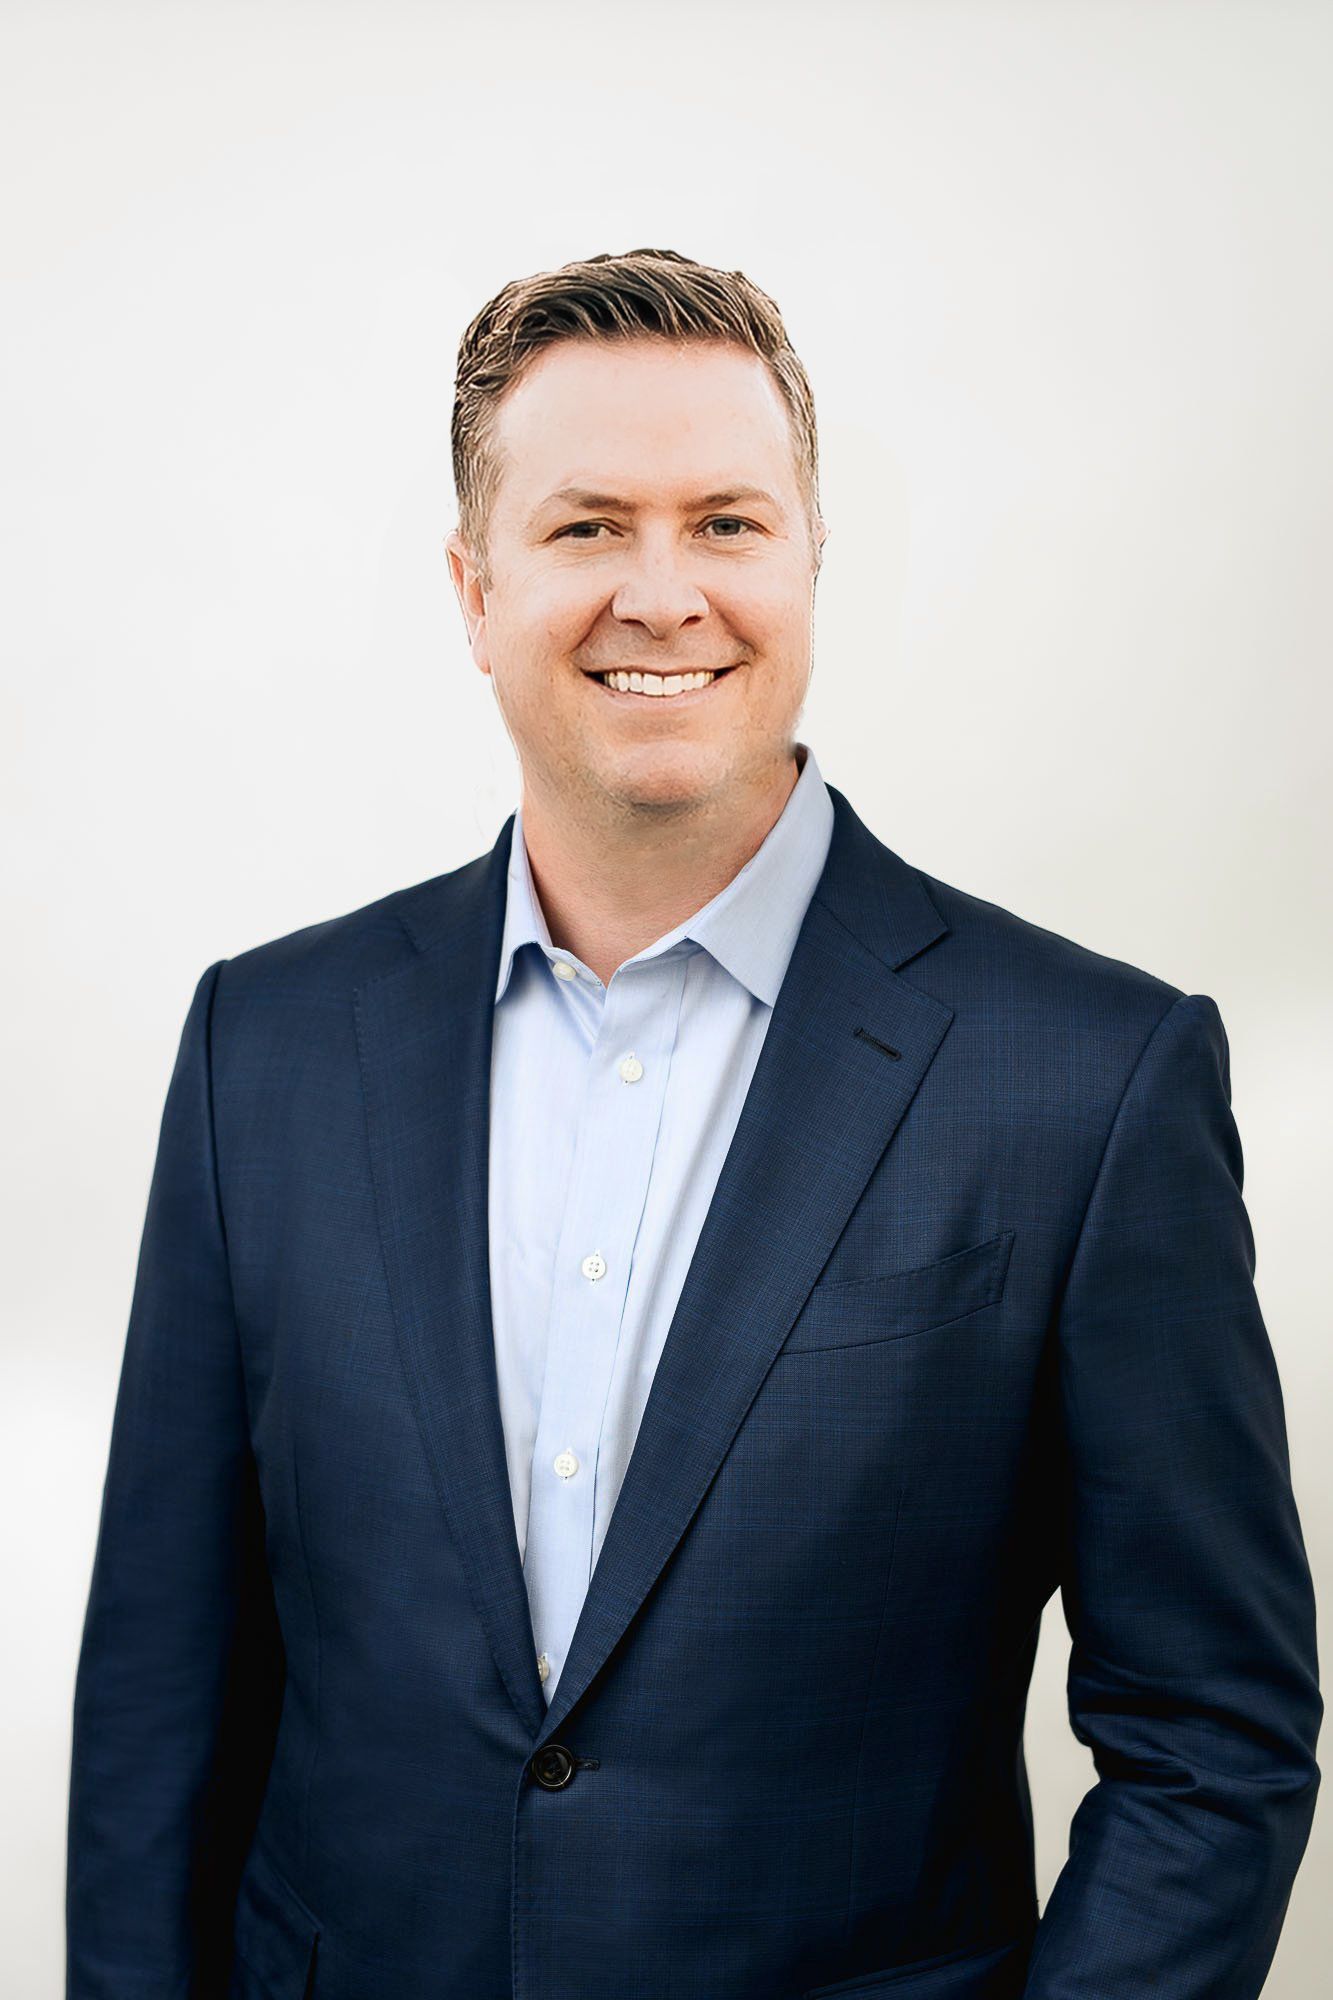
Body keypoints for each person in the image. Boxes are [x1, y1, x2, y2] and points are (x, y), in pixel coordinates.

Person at [67, 247, 1321, 2000]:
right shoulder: (263, 1050)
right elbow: (157, 1711)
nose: (662, 593)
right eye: (586, 527)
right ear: (471, 586)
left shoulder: (1089, 1079)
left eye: (726, 522)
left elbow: (1211, 1738)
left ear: (809, 562)